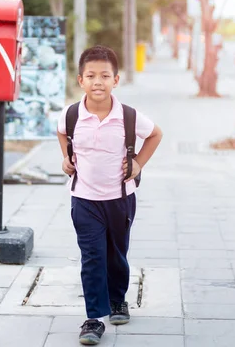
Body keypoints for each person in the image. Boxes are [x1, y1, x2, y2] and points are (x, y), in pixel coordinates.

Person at [56, 45, 163, 345]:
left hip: (120, 199)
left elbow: (156, 134)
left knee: (116, 254)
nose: (98, 81)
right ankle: (93, 319)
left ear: (116, 80)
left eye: (105, 75)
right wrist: (66, 157)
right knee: (92, 257)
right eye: (91, 75)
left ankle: (118, 299)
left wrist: (139, 162)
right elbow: (61, 131)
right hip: (84, 200)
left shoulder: (128, 116)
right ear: (80, 80)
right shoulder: (72, 114)